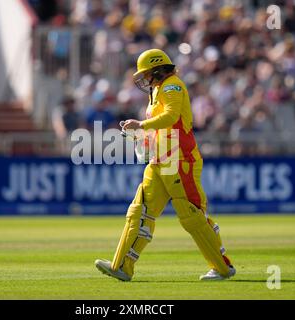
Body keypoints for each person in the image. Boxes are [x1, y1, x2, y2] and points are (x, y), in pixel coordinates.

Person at [95, 49, 235, 281]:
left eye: (147, 73)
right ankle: (121, 266)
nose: (144, 79)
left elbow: (171, 117)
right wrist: (143, 139)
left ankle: (222, 267)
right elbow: (161, 127)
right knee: (140, 211)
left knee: (191, 215)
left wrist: (141, 125)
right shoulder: (157, 90)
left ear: (158, 70)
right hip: (159, 159)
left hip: (180, 160)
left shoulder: (173, 85)